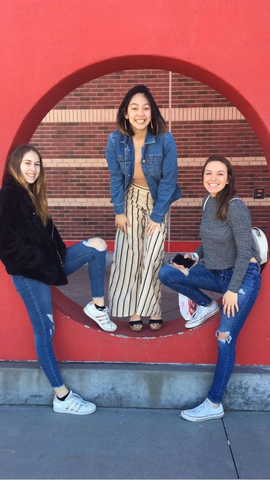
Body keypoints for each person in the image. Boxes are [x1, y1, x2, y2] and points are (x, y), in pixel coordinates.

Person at [0, 144, 117, 415]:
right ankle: (62, 397)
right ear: (15, 166)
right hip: (30, 275)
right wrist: (41, 261)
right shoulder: (9, 196)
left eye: (37, 164)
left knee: (97, 246)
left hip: (49, 265)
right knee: (46, 332)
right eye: (27, 163)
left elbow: (49, 237)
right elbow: (6, 247)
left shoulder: (32, 195)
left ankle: (98, 307)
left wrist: (56, 257)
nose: (32, 169)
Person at [158, 155, 261, 421]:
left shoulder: (236, 207)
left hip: (242, 278)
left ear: (228, 178)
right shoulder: (207, 202)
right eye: (208, 173)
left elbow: (244, 252)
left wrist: (232, 290)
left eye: (219, 174)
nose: (212, 178)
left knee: (224, 338)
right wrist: (194, 256)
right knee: (169, 272)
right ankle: (206, 304)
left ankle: (214, 403)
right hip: (216, 272)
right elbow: (210, 242)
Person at [105, 84, 182, 332]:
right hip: (129, 201)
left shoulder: (165, 139)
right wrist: (119, 211)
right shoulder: (115, 140)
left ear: (152, 112)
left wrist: (158, 216)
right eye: (135, 108)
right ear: (125, 113)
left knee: (152, 258)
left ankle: (153, 308)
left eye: (146, 108)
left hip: (158, 201)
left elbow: (170, 180)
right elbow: (116, 178)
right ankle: (134, 311)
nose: (141, 113)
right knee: (129, 257)